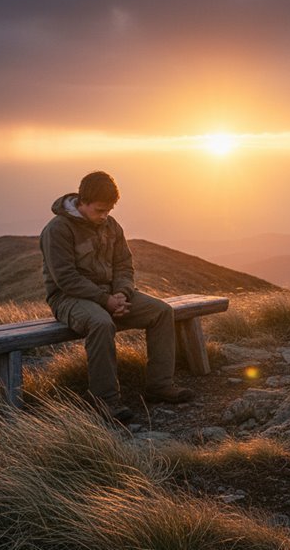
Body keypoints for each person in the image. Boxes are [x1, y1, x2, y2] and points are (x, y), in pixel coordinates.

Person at [40, 171, 193, 422]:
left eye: (109, 211)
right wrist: (106, 301)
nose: (104, 216)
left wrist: (122, 293)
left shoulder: (112, 226)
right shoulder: (57, 230)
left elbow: (124, 265)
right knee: (101, 323)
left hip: (111, 296)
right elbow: (65, 278)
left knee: (162, 311)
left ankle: (160, 385)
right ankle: (105, 401)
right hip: (67, 298)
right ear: (83, 201)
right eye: (100, 210)